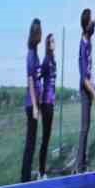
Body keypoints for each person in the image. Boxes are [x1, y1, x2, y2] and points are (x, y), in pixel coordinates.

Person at [20, 18, 43, 183]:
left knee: (32, 141)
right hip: (31, 104)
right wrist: (35, 106)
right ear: (36, 34)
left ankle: (27, 175)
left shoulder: (35, 52)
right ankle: (25, 178)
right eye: (40, 32)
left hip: (35, 103)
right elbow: (30, 81)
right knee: (30, 142)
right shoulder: (31, 54)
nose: (41, 34)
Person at [76, 7, 95, 173]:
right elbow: (84, 80)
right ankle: (79, 166)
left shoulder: (88, 36)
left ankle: (82, 161)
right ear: (86, 25)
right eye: (90, 22)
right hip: (85, 89)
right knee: (84, 127)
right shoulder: (82, 46)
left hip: (89, 88)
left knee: (87, 127)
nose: (93, 24)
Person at [37, 32, 58, 178]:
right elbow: (38, 78)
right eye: (51, 41)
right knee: (45, 138)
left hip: (51, 103)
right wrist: (39, 101)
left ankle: (42, 169)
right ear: (47, 44)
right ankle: (41, 172)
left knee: (47, 137)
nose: (53, 43)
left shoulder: (53, 61)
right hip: (46, 104)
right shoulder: (46, 61)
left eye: (54, 41)